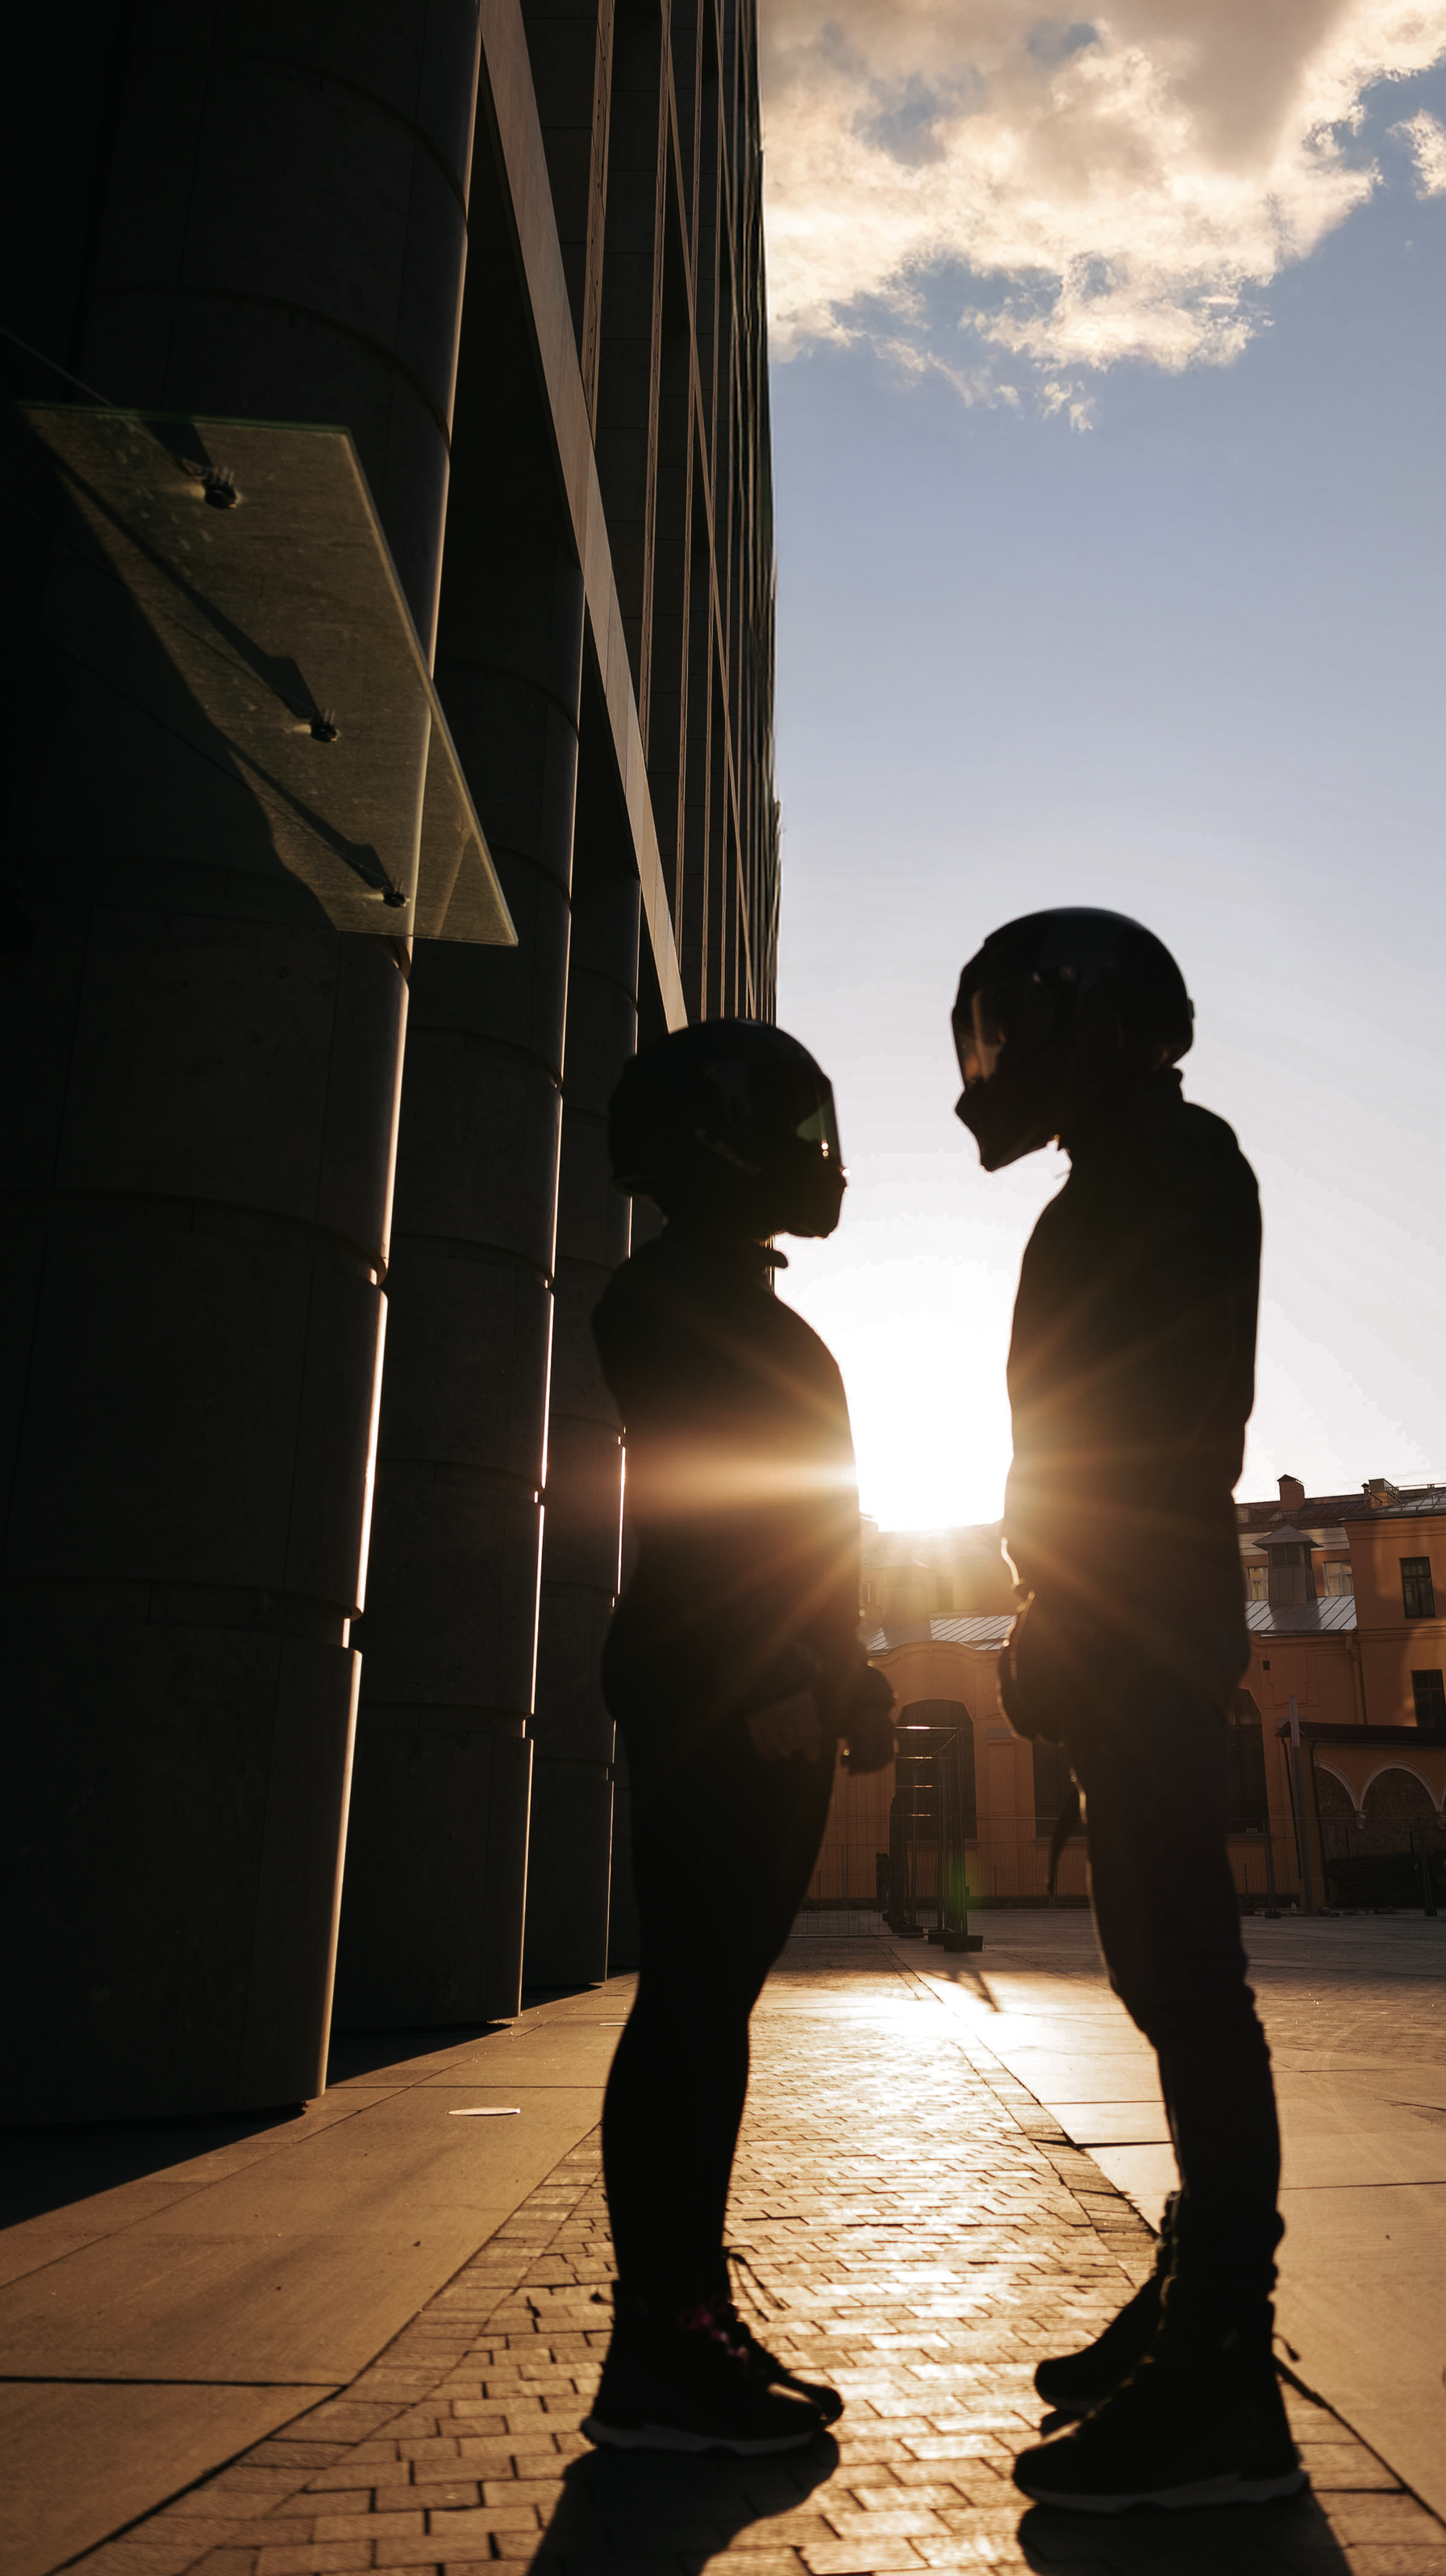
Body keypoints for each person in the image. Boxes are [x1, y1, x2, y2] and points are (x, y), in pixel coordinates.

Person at [951, 908, 1303, 2514]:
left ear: (1096, 1023)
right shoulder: (1130, 1176)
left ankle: (1226, 2363)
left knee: (1184, 1979)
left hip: (1138, 1633)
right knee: (1161, 1977)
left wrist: (1074, 1609)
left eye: (1016, 1024)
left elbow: (1144, 1433)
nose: (995, 1060)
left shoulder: (1167, 1172)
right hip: (1121, 1626)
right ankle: (1198, 2295)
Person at [581, 1019, 894, 2456]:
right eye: (791, 1126)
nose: (817, 1157)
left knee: (713, 2007)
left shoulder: (730, 1299)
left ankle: (687, 2311)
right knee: (694, 2007)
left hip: (774, 1688)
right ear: (716, 1140)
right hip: (729, 1696)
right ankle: (664, 2338)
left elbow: (813, 1517)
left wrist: (851, 1663)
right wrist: (783, 1672)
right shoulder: (671, 1299)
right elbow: (727, 1518)